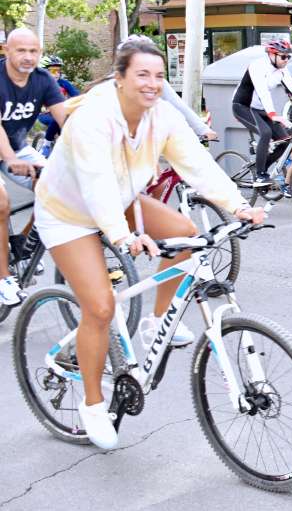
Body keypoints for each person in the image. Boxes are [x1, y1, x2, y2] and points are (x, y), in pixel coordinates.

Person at [36, 40, 264, 449]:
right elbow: (95, 184)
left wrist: (238, 205)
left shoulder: (160, 116)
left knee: (189, 239)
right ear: (119, 78)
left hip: (119, 201)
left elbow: (197, 165)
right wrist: (123, 236)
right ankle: (92, 405)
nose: (152, 84)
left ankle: (156, 323)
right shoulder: (92, 118)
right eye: (142, 74)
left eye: (159, 76)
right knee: (101, 307)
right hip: (68, 214)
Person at [0, 28, 71, 306]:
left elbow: (66, 119)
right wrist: (9, 158)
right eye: (21, 51)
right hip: (9, 151)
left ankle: (23, 245)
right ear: (6, 50)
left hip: (18, 149)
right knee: (2, 204)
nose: (28, 57)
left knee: (56, 185)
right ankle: (3, 278)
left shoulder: (43, 81)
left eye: (34, 51)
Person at [231, 39, 292, 187]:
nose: (286, 60)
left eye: (288, 57)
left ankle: (264, 170)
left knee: (285, 140)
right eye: (283, 57)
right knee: (266, 132)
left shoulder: (282, 70)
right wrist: (273, 115)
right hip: (243, 106)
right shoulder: (257, 66)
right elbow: (263, 92)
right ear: (272, 55)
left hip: (261, 110)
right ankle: (260, 176)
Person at [36, 55, 80, 151]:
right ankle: (46, 146)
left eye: (58, 71)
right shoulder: (39, 84)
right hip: (44, 114)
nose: (56, 74)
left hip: (61, 112)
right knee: (56, 119)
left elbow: (76, 95)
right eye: (53, 71)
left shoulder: (63, 83)